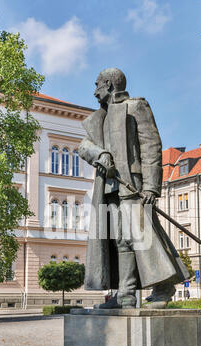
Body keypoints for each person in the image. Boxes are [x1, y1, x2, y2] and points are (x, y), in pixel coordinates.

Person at [79, 68, 189, 309]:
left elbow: (151, 147)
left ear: (108, 84)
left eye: (97, 84)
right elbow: (84, 145)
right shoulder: (100, 117)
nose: (94, 90)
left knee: (139, 236)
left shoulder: (135, 106)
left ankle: (163, 285)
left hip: (133, 184)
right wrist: (100, 153)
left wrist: (151, 186)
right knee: (121, 240)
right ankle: (125, 294)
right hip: (109, 188)